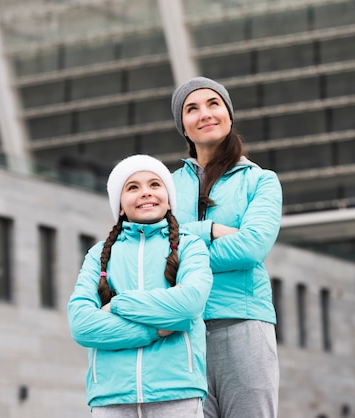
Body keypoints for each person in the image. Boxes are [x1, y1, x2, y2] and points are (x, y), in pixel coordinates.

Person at [67, 154, 213, 418]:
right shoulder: (98, 255)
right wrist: (154, 330)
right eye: (133, 187)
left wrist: (118, 305)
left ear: (169, 199)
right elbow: (81, 325)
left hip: (177, 393)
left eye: (155, 185)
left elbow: (189, 303)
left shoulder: (191, 246)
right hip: (111, 398)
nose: (145, 193)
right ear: (120, 205)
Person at [170, 76, 282, 418]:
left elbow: (251, 248)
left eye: (213, 104)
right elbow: (160, 250)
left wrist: (187, 250)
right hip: (184, 334)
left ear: (229, 116)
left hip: (244, 326)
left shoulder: (261, 181)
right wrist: (213, 230)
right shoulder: (168, 188)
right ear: (184, 128)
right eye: (192, 109)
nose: (204, 113)